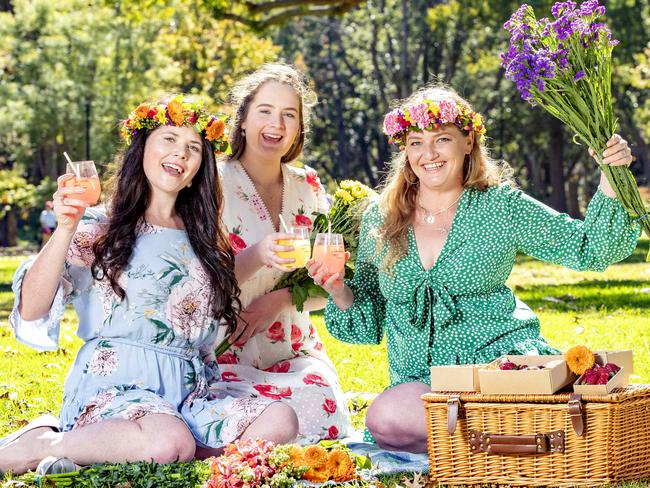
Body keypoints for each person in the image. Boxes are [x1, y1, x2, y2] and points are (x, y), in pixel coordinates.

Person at [307, 86, 640, 453]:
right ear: (404, 149)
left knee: (451, 415)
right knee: (386, 419)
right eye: (416, 142)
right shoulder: (382, 218)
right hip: (423, 385)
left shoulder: (500, 206)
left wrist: (612, 179)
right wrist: (338, 289)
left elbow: (588, 248)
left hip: (499, 371)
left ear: (468, 141)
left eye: (442, 139)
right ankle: (507, 440)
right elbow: (366, 321)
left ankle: (498, 434)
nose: (428, 154)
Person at [0, 96, 298, 475]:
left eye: (193, 148)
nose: (181, 153)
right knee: (168, 442)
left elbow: (209, 294)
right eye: (169, 139)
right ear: (142, 148)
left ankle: (145, 446)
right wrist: (66, 227)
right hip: (116, 385)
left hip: (191, 393)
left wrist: (259, 254)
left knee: (281, 420)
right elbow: (32, 308)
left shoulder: (204, 238)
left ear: (198, 169)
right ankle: (45, 443)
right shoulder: (98, 225)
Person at [214, 63, 351, 443]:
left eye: (289, 115)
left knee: (319, 401)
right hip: (225, 348)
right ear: (242, 120)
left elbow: (328, 277)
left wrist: (281, 298)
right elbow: (197, 278)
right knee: (245, 414)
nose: (276, 124)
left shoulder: (308, 185)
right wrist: (256, 255)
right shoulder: (212, 181)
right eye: (265, 111)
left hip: (290, 347)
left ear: (298, 129)